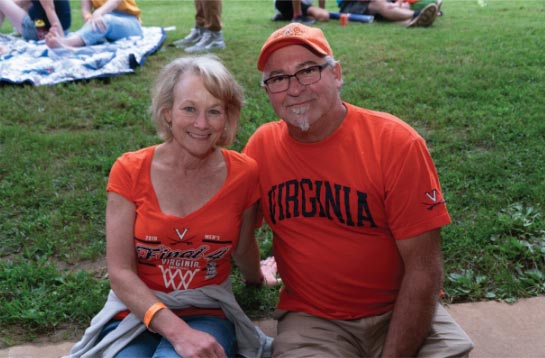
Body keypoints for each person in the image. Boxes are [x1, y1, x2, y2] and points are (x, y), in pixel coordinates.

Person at [243, 23, 475, 357]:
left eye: (307, 71)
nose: (294, 89)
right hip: (314, 319)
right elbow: (233, 230)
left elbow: (425, 267)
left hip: (401, 307)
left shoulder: (395, 143)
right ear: (268, 91)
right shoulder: (262, 147)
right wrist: (254, 273)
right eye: (278, 78)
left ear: (336, 74)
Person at [67, 55, 271, 358]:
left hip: (208, 310)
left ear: (227, 117)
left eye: (214, 111)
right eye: (189, 108)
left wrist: (257, 278)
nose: (202, 124)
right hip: (137, 308)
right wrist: (177, 331)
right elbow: (120, 271)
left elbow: (243, 247)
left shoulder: (245, 173)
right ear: (167, 114)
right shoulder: (129, 170)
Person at [45, 0, 142, 49]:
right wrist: (89, 18)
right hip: (103, 19)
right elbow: (85, 9)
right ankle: (66, 40)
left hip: (130, 22)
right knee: (98, 24)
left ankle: (68, 43)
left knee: (106, 20)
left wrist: (99, 13)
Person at [0, 0, 71, 41]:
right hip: (64, 30)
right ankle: (18, 31)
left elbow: (50, 9)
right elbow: (20, 3)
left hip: (45, 33)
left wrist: (61, 41)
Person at [339, 0, 438, 27]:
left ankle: (412, 21)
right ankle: (418, 14)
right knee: (379, 4)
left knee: (399, 6)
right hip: (349, 4)